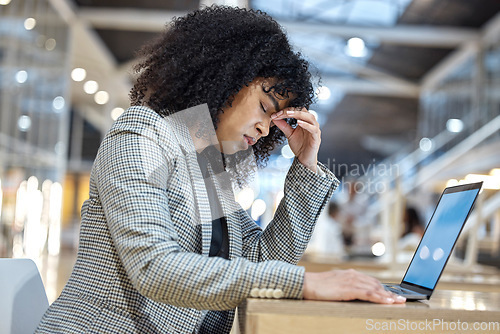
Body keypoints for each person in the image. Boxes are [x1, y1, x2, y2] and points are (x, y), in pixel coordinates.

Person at [36, 6, 404, 334]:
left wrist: (304, 166)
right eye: (264, 105)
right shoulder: (140, 135)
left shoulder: (208, 165)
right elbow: (154, 266)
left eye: (274, 121)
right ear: (223, 78)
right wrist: (304, 283)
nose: (264, 129)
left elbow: (262, 261)